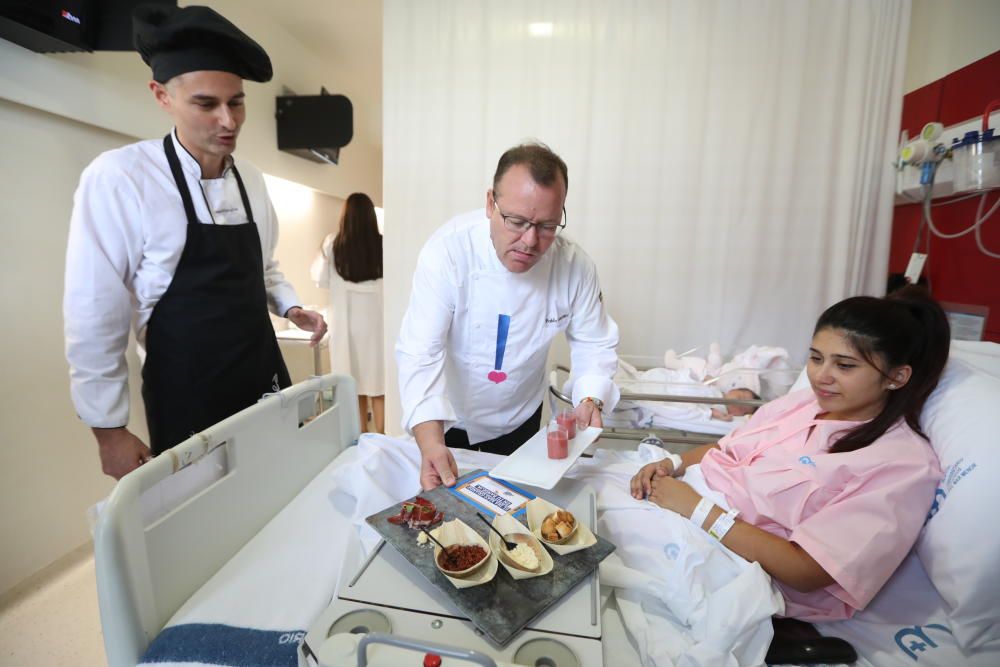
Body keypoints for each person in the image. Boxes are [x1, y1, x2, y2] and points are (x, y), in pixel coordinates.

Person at [63, 5, 326, 480]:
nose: (228, 121)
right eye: (206, 104)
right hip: (186, 394)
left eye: (237, 102)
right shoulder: (122, 178)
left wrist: (290, 307)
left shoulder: (252, 179)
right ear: (162, 95)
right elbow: (94, 310)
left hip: (263, 379)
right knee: (204, 527)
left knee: (279, 493)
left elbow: (264, 268)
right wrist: (109, 429)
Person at [629, 286, 949, 620]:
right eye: (815, 358)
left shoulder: (902, 465)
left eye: (845, 365)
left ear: (896, 377)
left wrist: (695, 508)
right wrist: (671, 464)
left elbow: (805, 571)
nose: (821, 377)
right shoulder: (803, 404)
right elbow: (728, 448)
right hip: (684, 504)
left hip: (730, 559)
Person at [397, 142, 620, 490]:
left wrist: (590, 398)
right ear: (490, 203)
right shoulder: (449, 252)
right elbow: (420, 351)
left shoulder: (574, 267)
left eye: (547, 226)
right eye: (516, 221)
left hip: (521, 419)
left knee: (512, 512)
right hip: (448, 421)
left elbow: (594, 341)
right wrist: (429, 442)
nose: (530, 241)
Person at [310, 193, 385, 433]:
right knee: (378, 383)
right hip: (377, 324)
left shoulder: (332, 244)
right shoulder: (384, 243)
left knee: (353, 383)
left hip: (345, 325)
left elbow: (320, 279)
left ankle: (360, 436)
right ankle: (381, 436)